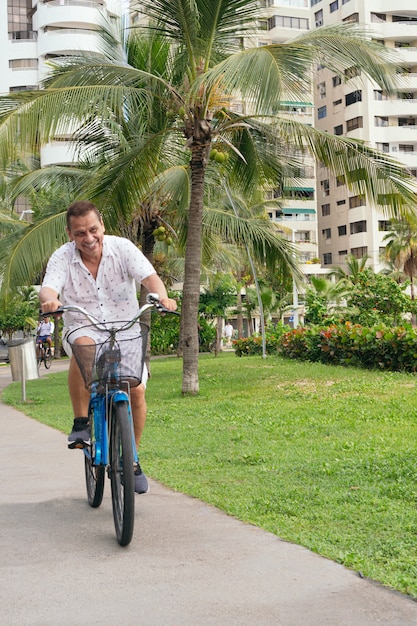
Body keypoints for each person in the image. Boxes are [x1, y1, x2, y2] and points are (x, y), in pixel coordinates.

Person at [39, 200, 177, 494]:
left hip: (124, 328)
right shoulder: (62, 257)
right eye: (79, 234)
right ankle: (81, 422)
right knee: (83, 344)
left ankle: (132, 460)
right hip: (83, 325)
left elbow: (150, 278)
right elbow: (49, 286)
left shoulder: (123, 248)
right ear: (69, 233)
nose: (88, 239)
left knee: (136, 390)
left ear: (102, 225)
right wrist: (50, 301)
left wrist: (163, 297)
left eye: (93, 230)